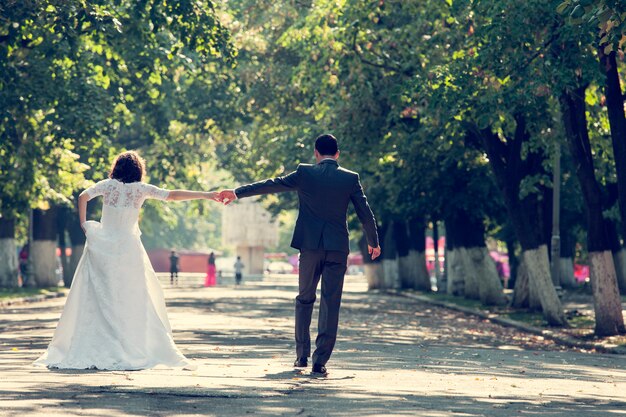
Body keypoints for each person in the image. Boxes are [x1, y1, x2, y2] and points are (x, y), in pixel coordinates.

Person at [34, 150, 220, 370]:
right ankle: (128, 343)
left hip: (102, 245)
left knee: (97, 296)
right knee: (131, 297)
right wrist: (206, 194)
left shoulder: (107, 185)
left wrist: (85, 225)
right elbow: (172, 195)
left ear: (116, 168)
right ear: (138, 170)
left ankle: (96, 342)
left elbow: (83, 196)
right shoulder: (141, 190)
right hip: (128, 249)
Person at [218, 134, 381, 376]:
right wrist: (373, 242)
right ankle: (320, 361)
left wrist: (237, 192)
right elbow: (365, 212)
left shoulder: (305, 173)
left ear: (316, 153)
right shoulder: (350, 178)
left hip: (310, 247)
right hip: (337, 248)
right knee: (330, 302)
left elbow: (271, 183)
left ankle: (301, 356)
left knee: (305, 299)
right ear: (337, 154)